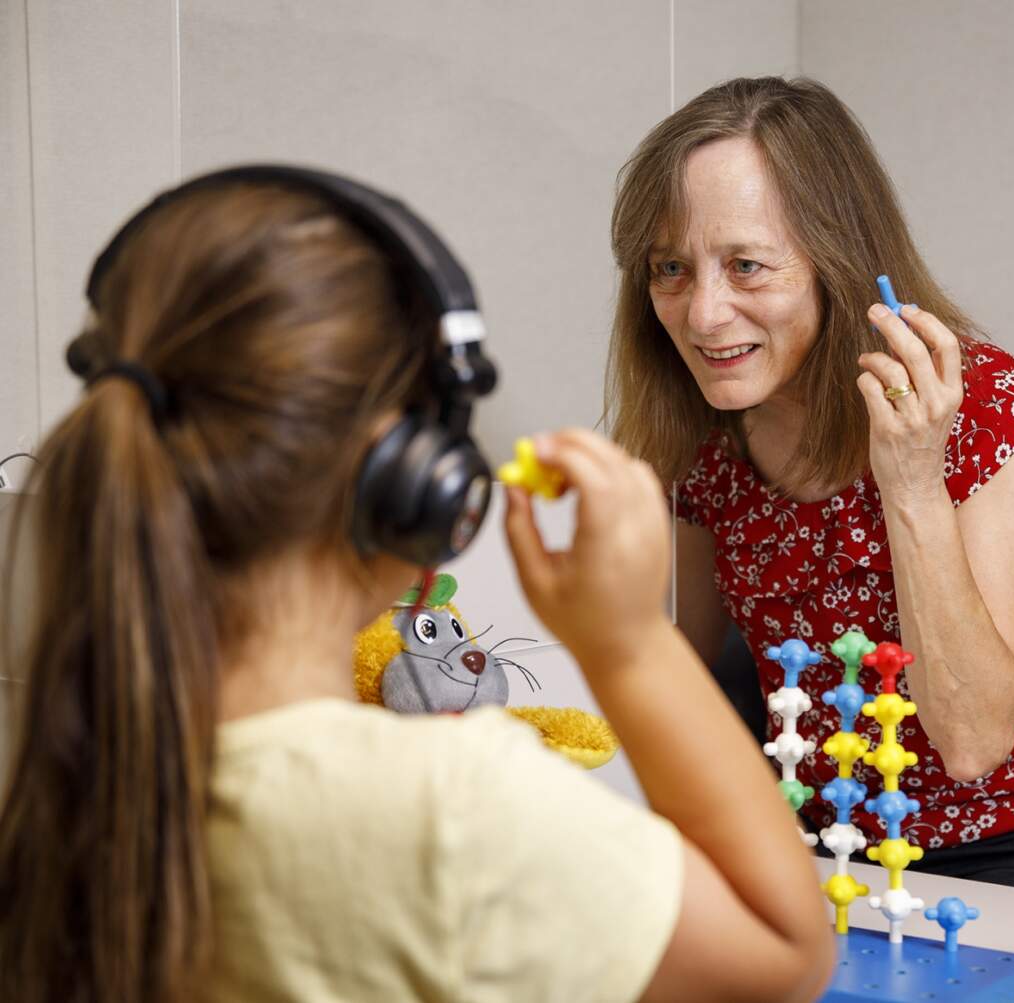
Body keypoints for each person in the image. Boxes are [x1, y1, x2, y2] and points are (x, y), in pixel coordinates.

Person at [0, 171, 831, 1002]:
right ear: (408, 481)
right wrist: (629, 644)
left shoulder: (62, 787)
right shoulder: (453, 810)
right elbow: (784, 953)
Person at [606, 76, 1014, 898]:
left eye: (746, 266)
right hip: (836, 845)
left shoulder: (987, 405)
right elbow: (677, 670)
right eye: (671, 267)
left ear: (836, 263)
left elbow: (974, 739)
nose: (702, 314)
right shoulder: (704, 441)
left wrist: (911, 479)